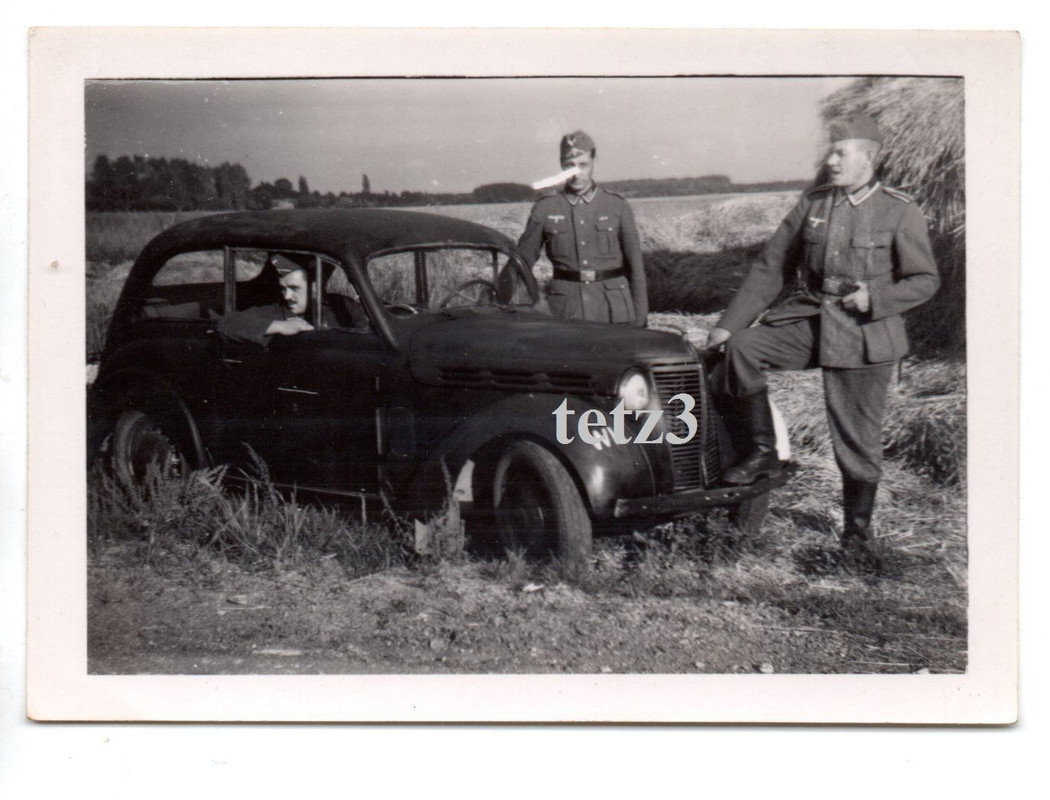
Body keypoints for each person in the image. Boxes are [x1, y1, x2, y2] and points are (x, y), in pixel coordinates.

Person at [706, 115, 940, 571]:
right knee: (743, 351)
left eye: (841, 153)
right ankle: (761, 452)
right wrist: (728, 325)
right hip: (809, 321)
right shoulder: (813, 204)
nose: (830, 161)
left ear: (869, 158)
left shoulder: (898, 210)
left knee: (856, 439)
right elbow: (770, 267)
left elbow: (925, 279)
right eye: (830, 152)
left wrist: (876, 297)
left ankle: (855, 537)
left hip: (864, 333)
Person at [516, 130, 648, 327]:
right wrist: (525, 303)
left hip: (614, 312)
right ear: (561, 166)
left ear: (594, 162)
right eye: (570, 166)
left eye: (583, 165)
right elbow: (521, 263)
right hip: (564, 312)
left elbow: (636, 268)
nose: (576, 173)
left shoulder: (616, 206)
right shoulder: (545, 208)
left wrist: (640, 318)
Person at [216, 253, 339, 345]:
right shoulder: (277, 312)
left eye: (294, 288)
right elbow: (226, 323)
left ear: (315, 287)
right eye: (283, 288)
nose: (286, 296)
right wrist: (281, 326)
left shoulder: (340, 307)